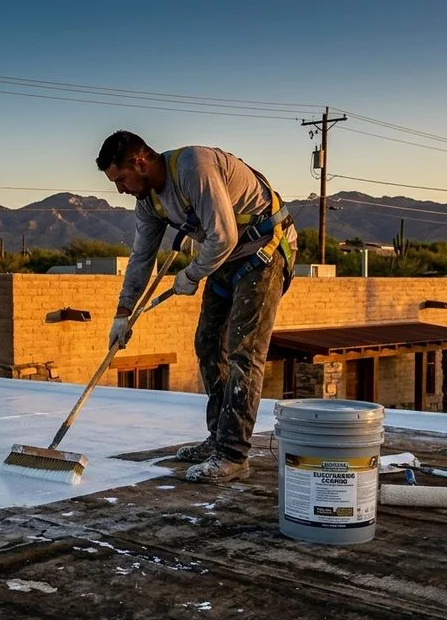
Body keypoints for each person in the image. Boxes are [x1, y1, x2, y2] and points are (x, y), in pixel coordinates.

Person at [95, 130, 297, 483]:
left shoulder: (193, 166)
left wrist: (191, 274)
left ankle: (233, 455)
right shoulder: (149, 203)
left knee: (243, 352)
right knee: (207, 342)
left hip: (263, 250)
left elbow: (224, 235)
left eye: (122, 179)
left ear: (140, 163)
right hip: (223, 260)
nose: (121, 190)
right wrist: (123, 313)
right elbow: (142, 259)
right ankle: (217, 437)